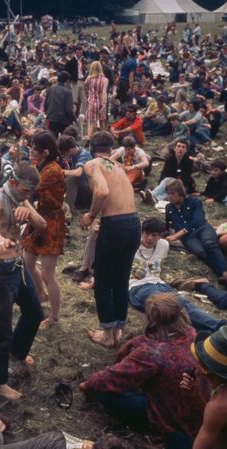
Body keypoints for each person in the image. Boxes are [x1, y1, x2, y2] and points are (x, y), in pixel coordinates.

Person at [79, 293, 209, 447]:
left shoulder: (152, 353)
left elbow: (107, 379)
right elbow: (158, 338)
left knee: (104, 391)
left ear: (151, 320)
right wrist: (133, 342)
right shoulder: (191, 332)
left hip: (172, 420)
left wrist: (86, 385)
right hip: (199, 413)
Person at [0, 164, 46, 400]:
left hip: (18, 267)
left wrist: (28, 210)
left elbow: (42, 225)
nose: (28, 195)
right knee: (2, 328)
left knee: (35, 312)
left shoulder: (22, 198)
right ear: (13, 182)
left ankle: (17, 352)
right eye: (26, 190)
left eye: (31, 192)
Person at [128, 218, 227, 333]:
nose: (149, 238)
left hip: (159, 284)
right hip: (138, 287)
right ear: (142, 232)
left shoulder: (163, 245)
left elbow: (158, 268)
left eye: (154, 235)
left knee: (184, 304)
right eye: (146, 233)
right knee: (171, 305)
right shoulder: (131, 245)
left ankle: (212, 332)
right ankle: (223, 327)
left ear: (160, 235)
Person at [80, 132, 140, 348]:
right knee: (121, 279)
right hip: (134, 223)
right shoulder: (118, 166)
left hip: (115, 225)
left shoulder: (93, 164)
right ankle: (117, 330)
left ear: (91, 148)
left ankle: (107, 334)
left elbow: (103, 192)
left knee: (103, 280)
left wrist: (91, 215)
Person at [165, 179, 227, 290]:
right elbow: (168, 225)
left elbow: (197, 221)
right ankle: (226, 276)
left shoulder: (195, 202)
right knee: (200, 252)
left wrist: (177, 235)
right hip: (188, 237)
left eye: (172, 193)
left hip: (202, 228)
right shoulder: (169, 208)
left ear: (180, 193)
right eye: (168, 193)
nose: (169, 196)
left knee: (209, 243)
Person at [183, 326, 227, 449]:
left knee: (175, 439)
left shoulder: (218, 406)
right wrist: (195, 395)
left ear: (205, 369)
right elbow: (213, 418)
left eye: (198, 359)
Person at [22, 132, 65, 327]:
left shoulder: (52, 171)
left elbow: (29, 186)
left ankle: (54, 317)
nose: (30, 151)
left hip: (51, 222)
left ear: (45, 152)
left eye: (34, 149)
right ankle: (41, 293)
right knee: (27, 261)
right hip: (38, 217)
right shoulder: (41, 166)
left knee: (48, 273)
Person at [143, 139, 195, 204]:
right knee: (168, 188)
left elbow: (186, 176)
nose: (180, 149)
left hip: (182, 184)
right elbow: (164, 173)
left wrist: (174, 180)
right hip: (168, 184)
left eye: (183, 147)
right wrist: (163, 184)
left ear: (186, 150)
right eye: (178, 146)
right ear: (175, 149)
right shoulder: (170, 159)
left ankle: (153, 194)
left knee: (169, 181)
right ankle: (155, 199)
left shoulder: (189, 162)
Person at [57, 135, 92, 213]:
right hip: (81, 190)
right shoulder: (74, 154)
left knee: (72, 178)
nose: (65, 155)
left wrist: (59, 171)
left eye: (65, 153)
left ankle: (67, 210)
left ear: (69, 150)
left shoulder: (84, 155)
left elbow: (77, 173)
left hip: (89, 192)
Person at [44, 71, 76, 137]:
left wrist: (48, 114)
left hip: (51, 118)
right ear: (67, 81)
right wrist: (73, 119)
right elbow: (68, 110)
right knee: (65, 141)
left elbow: (45, 105)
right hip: (63, 120)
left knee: (52, 140)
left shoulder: (50, 89)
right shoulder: (68, 92)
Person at [84, 61, 109, 139]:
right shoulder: (105, 79)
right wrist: (104, 103)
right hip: (100, 102)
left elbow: (85, 88)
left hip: (91, 101)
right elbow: (104, 92)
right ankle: (103, 139)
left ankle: (88, 137)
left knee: (91, 122)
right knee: (102, 122)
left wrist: (88, 96)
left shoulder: (89, 78)